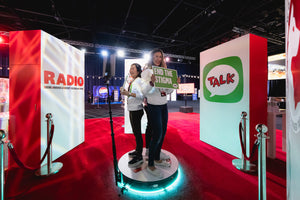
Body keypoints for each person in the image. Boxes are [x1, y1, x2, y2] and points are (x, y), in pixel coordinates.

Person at [141, 49, 177, 178]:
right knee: (157, 133)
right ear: (152, 57)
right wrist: (151, 83)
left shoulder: (165, 72)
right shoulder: (146, 71)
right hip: (153, 106)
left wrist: (174, 84)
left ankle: (156, 157)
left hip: (163, 105)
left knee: (163, 132)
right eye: (156, 56)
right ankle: (150, 163)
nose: (158, 59)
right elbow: (144, 91)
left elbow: (167, 91)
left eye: (160, 57)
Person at [120, 63, 144, 168]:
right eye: (130, 68)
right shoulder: (133, 81)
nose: (131, 70)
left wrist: (128, 93)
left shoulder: (139, 81)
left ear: (138, 71)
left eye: (133, 68)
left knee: (137, 133)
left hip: (136, 110)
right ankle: (137, 151)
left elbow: (141, 96)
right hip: (132, 109)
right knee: (136, 132)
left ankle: (139, 156)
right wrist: (126, 92)